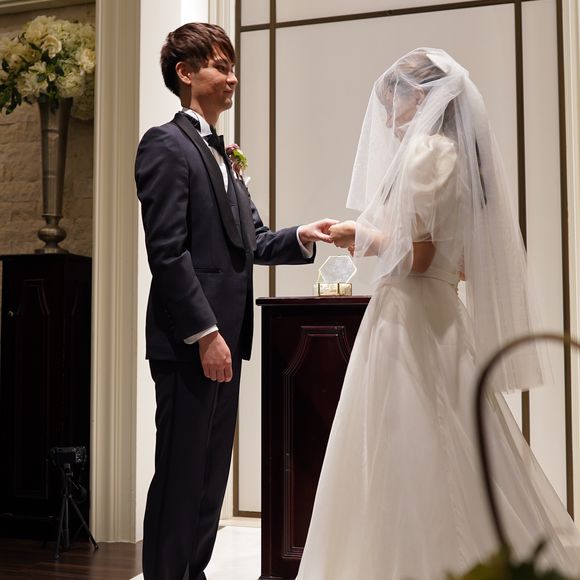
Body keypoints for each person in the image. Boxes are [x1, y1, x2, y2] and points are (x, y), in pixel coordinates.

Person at [296, 48, 580, 579]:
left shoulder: (426, 153)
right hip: (438, 308)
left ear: (420, 97)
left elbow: (420, 254)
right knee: (440, 433)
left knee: (408, 438)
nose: (387, 118)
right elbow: (460, 262)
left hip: (410, 313)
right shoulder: (457, 156)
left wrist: (362, 236)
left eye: (393, 103)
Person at [135, 22, 335, 580]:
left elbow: (254, 240)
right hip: (191, 343)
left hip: (228, 340)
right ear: (185, 72)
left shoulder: (224, 156)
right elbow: (168, 253)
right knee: (181, 476)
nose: (233, 79)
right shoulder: (165, 145)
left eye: (233, 68)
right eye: (221, 67)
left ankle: (193, 573)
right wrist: (206, 334)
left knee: (209, 478)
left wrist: (302, 236)